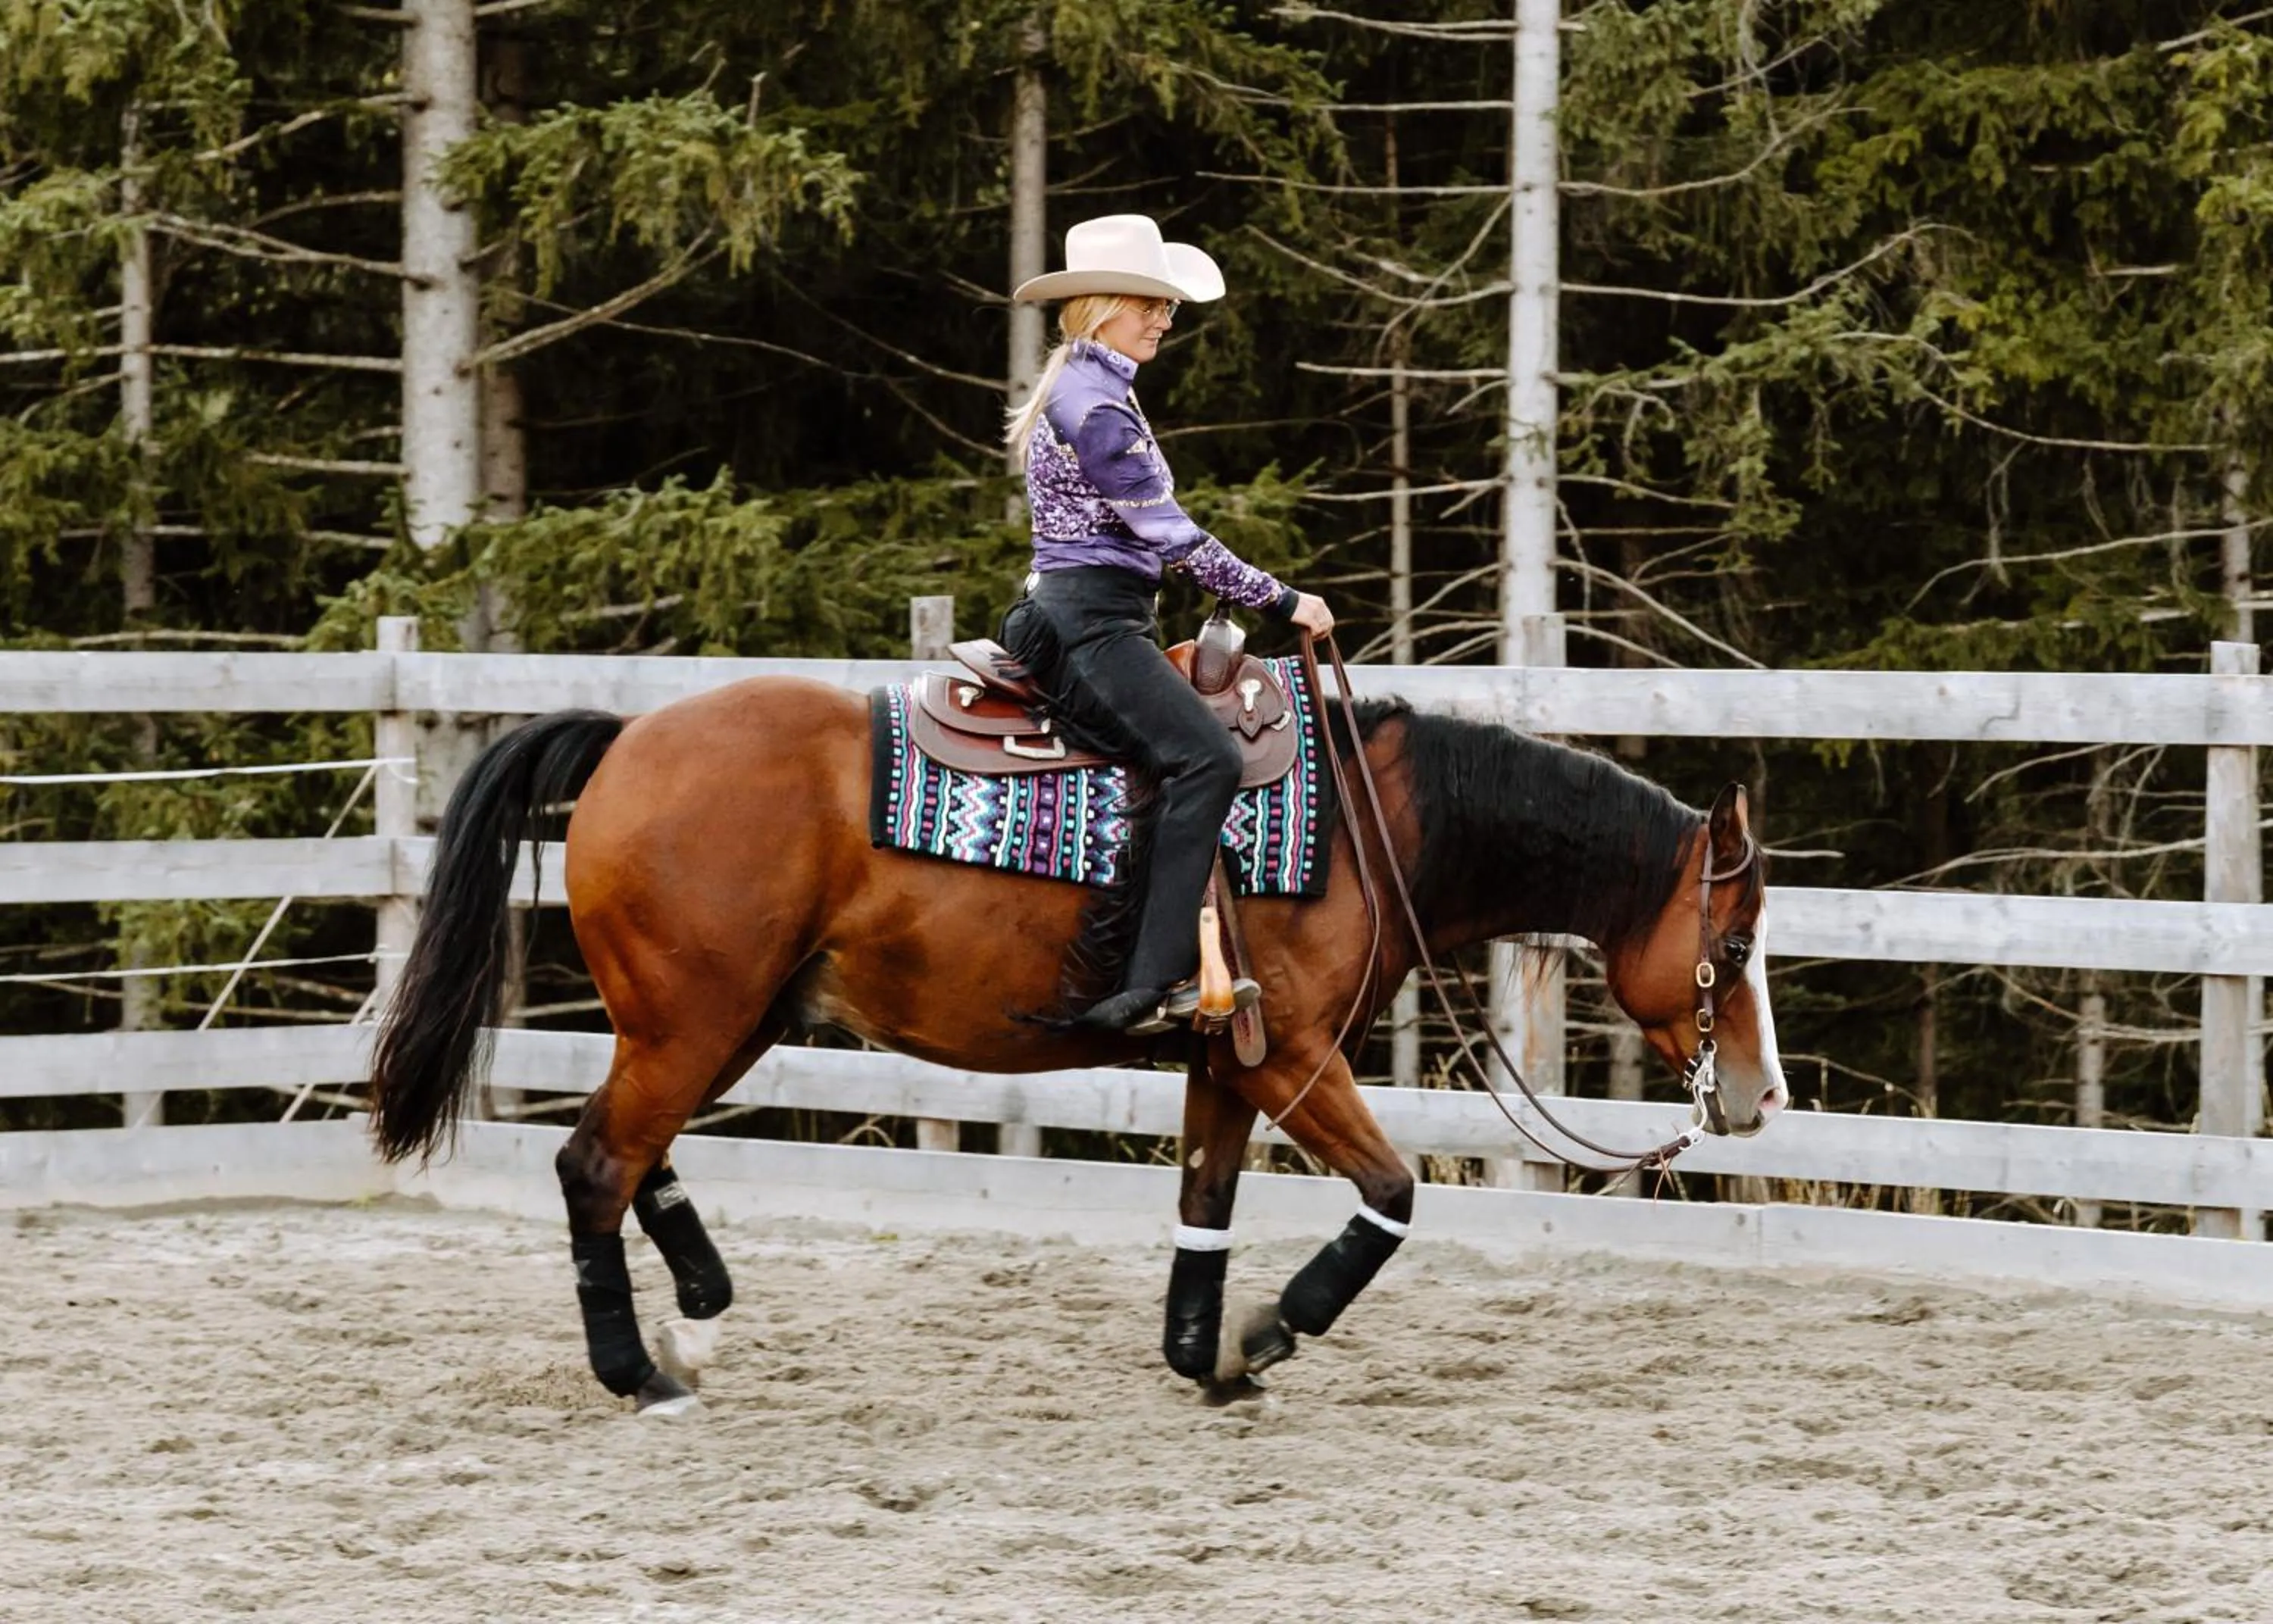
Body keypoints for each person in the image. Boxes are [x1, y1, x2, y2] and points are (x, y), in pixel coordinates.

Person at [999, 214, 1335, 1035]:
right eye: (1149, 303)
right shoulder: (1100, 409)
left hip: (1087, 611)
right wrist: (1286, 600)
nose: (1163, 319)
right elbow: (1173, 537)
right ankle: (1150, 985)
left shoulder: (1084, 384)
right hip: (1095, 625)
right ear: (1102, 303)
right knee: (1207, 758)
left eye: (1169, 307)